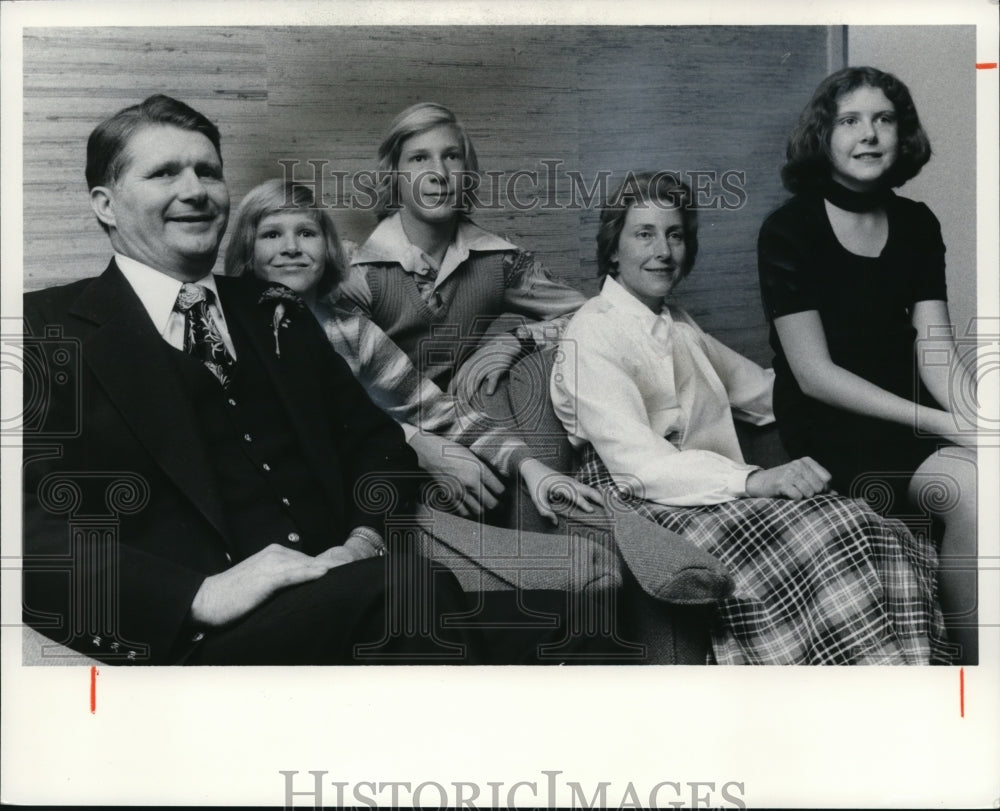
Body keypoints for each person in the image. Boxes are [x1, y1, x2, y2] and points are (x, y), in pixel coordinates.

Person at [19, 95, 566, 666]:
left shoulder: (274, 309)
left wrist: (362, 543)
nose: (196, 190)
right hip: (203, 642)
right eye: (164, 173)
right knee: (409, 591)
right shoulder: (42, 329)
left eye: (208, 171)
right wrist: (199, 596)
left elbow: (376, 444)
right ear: (105, 204)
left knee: (583, 627)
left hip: (348, 590)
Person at [551, 171, 950, 665]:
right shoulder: (591, 333)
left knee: (867, 524)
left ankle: (902, 685)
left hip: (709, 490)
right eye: (645, 233)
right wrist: (757, 479)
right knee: (838, 530)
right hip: (643, 503)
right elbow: (640, 467)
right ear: (613, 249)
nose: (664, 250)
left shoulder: (675, 323)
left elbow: (764, 391)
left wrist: (845, 390)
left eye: (675, 234)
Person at [757, 67, 979, 664]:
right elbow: (814, 375)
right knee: (976, 487)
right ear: (823, 136)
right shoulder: (787, 231)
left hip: (914, 422)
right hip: (836, 434)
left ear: (901, 133)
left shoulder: (917, 223)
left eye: (884, 119)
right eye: (849, 120)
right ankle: (968, 672)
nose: (870, 134)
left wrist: (980, 420)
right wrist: (944, 425)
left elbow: (938, 353)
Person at [223, 178, 602, 523]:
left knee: (565, 556)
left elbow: (435, 410)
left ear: (327, 249)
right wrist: (414, 442)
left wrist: (531, 466)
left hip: (373, 504)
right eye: (271, 235)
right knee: (572, 567)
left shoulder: (351, 330)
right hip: (281, 514)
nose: (291, 248)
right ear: (248, 249)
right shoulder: (224, 326)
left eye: (306, 233)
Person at [337, 102, 588, 515]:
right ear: (395, 178)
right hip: (380, 443)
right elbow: (336, 400)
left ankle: (558, 518)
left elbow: (595, 316)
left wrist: (520, 339)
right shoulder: (356, 272)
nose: (438, 172)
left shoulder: (497, 261)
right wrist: (418, 446)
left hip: (467, 429)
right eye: (419, 158)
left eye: (451, 156)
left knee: (533, 371)